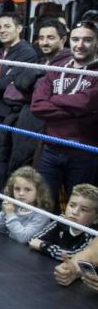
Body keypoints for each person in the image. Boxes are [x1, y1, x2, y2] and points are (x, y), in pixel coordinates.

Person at [30, 20, 98, 201]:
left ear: (96, 42)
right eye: (76, 39)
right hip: (51, 148)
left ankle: (70, 231)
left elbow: (86, 102)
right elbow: (37, 105)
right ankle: (46, 231)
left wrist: (54, 99)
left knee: (78, 205)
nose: (80, 45)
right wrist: (77, 110)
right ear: (69, 41)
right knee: (43, 202)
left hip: (83, 151)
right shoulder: (57, 67)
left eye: (87, 40)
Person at [0, 12, 38, 187]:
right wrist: (3, 81)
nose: (2, 31)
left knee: (4, 159)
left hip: (11, 115)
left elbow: (13, 83)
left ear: (19, 28)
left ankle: (2, 199)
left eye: (7, 26)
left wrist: (0, 83)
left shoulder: (27, 53)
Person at [5, 18, 68, 172]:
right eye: (41, 38)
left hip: (47, 127)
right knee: (19, 165)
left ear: (63, 39)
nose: (45, 42)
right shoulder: (40, 62)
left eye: (51, 38)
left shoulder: (69, 65)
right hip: (26, 120)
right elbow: (15, 86)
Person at [29, 183, 98, 259]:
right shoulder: (61, 220)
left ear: (95, 219)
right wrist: (52, 250)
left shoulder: (93, 235)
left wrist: (43, 246)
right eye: (72, 205)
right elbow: (33, 240)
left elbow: (74, 257)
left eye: (83, 210)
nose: (74, 212)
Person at [0, 166, 54, 244]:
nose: (21, 193)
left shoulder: (41, 215)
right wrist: (4, 212)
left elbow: (23, 239)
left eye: (27, 189)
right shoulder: (15, 206)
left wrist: (10, 214)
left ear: (38, 192)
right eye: (17, 189)